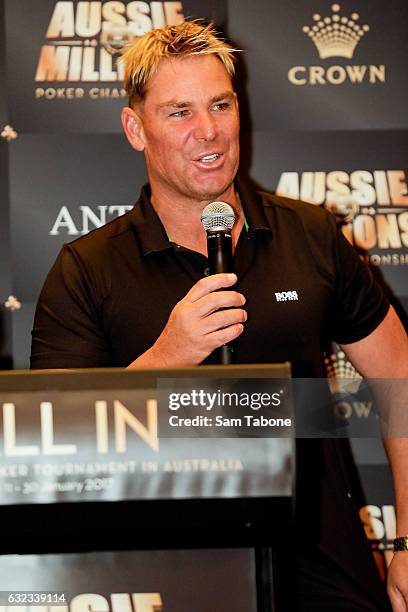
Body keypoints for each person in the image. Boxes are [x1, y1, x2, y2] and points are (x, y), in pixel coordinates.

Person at [30, 20, 408, 611]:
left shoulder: (308, 234)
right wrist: (167, 357)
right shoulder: (87, 268)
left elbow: (399, 375)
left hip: (322, 567)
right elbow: (51, 444)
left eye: (220, 104)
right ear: (136, 129)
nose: (208, 131)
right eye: (179, 112)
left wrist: (406, 539)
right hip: (163, 578)